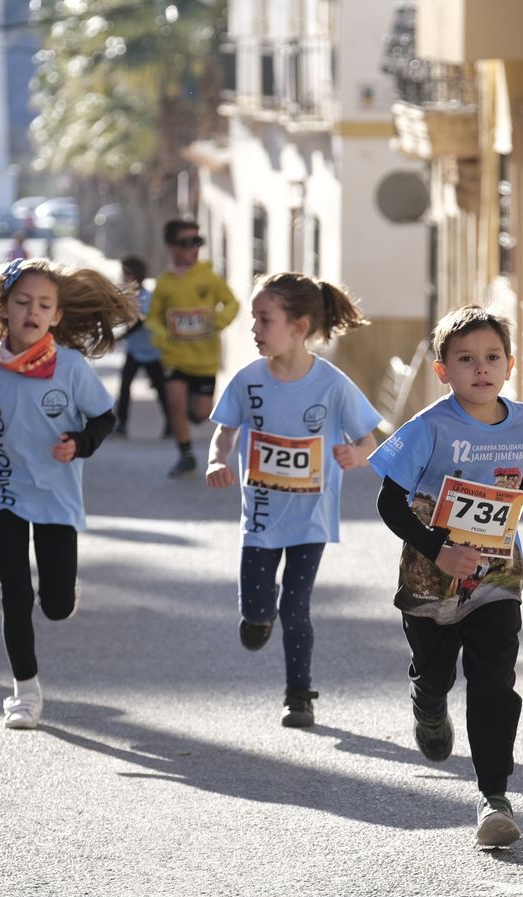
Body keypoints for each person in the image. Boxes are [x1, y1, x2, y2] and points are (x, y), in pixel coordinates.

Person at [368, 305, 523, 849]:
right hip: (430, 570)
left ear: (509, 364)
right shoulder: (430, 427)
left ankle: (494, 797)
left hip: (496, 570)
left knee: (494, 679)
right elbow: (389, 502)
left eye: (491, 358)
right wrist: (439, 551)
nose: (480, 369)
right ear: (443, 371)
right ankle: (428, 701)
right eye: (465, 360)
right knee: (437, 673)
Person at [0, 257, 137, 730]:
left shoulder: (70, 368)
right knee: (14, 593)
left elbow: (104, 418)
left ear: (56, 316)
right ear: (2, 308)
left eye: (43, 304)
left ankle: (63, 590)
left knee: (55, 605)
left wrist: (80, 443)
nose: (32, 311)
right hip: (4, 488)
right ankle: (24, 693)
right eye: (22, 301)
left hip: (56, 493)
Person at [205, 273, 382, 728]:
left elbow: (371, 438)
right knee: (257, 610)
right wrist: (215, 462)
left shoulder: (332, 384)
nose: (255, 330)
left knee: (296, 606)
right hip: (261, 515)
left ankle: (299, 695)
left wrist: (355, 454)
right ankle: (256, 617)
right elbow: (225, 430)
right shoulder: (248, 381)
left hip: (312, 517)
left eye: (265, 320)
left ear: (299, 327)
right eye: (254, 320)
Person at [146, 219, 239, 477]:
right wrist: (163, 335)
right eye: (187, 243)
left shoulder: (208, 277)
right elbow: (152, 317)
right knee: (174, 401)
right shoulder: (164, 283)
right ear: (171, 246)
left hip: (205, 360)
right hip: (175, 358)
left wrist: (218, 321)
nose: (194, 248)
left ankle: (189, 413)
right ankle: (185, 454)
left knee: (201, 413)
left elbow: (231, 302)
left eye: (198, 242)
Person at [113, 255, 171, 438]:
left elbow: (141, 321)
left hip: (152, 350)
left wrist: (122, 336)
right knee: (125, 387)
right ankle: (121, 424)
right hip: (134, 350)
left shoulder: (149, 297)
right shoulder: (128, 297)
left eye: (126, 273)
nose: (123, 277)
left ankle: (171, 424)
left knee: (161, 389)